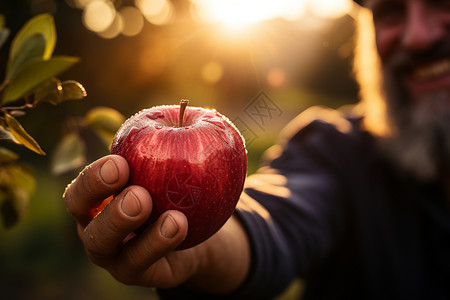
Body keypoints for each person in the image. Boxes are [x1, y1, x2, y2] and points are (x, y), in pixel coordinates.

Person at [63, 0, 450, 299]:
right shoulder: (337, 153)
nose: (418, 36)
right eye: (392, 10)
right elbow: (277, 216)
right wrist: (198, 245)